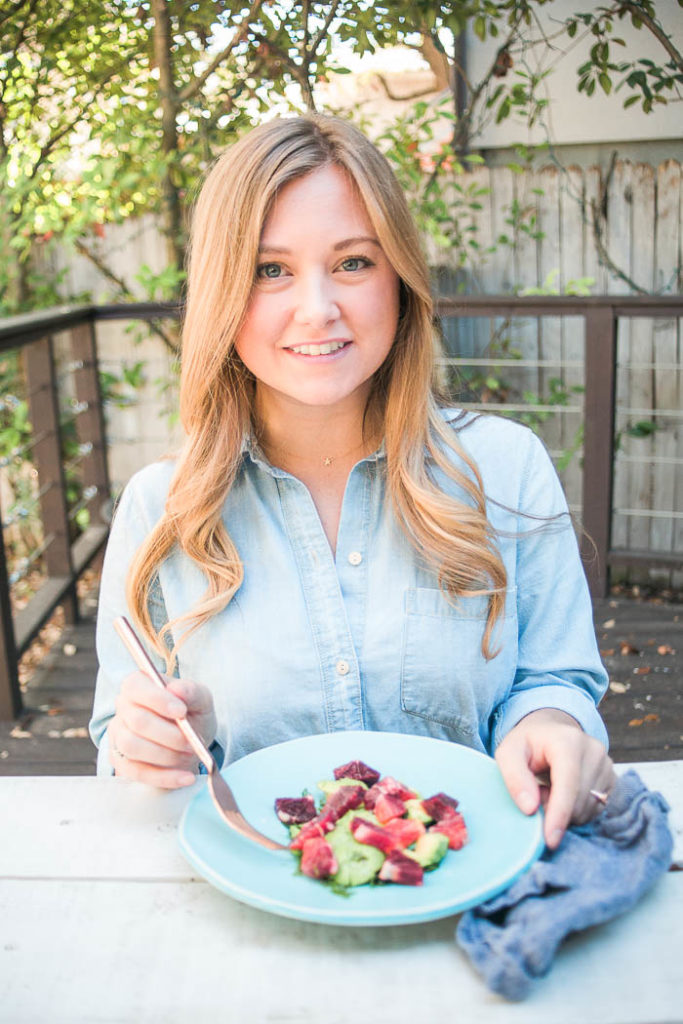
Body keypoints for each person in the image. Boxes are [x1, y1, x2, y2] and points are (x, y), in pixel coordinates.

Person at [90, 113, 615, 850]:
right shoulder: (158, 506)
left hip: (470, 892)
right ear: (221, 294)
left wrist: (551, 726)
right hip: (252, 906)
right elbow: (120, 742)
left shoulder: (506, 467)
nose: (318, 308)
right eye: (269, 270)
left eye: (353, 262)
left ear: (398, 278)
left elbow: (553, 680)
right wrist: (153, 748)